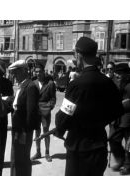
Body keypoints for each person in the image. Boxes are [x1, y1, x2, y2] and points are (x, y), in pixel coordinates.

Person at [53, 37, 124, 176]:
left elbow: (63, 118)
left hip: (79, 148)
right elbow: (117, 111)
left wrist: (60, 128)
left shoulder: (76, 84)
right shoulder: (108, 82)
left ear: (79, 55)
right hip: (99, 145)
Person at [9, 59, 39, 176]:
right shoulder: (22, 85)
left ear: (24, 71)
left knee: (22, 159)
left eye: (16, 72)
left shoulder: (30, 86)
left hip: (23, 130)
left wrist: (24, 133)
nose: (14, 76)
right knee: (15, 158)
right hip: (18, 129)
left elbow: (31, 113)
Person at [31, 63, 56, 162]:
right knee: (37, 131)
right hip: (36, 111)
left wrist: (49, 107)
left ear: (43, 71)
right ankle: (38, 152)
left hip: (45, 111)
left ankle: (47, 153)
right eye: (36, 71)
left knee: (46, 132)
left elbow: (53, 98)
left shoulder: (50, 83)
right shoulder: (33, 83)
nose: (37, 73)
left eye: (39, 71)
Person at [109, 63, 130, 175]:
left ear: (127, 74)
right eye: (116, 73)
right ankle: (121, 159)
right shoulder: (115, 83)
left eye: (120, 73)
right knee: (113, 140)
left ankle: (127, 165)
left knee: (129, 145)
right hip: (117, 119)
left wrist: (117, 105)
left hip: (128, 119)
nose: (117, 75)